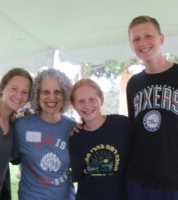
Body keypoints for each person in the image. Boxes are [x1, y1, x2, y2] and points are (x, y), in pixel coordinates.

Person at [126, 15, 178, 200]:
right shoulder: (133, 83)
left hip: (174, 180)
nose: (143, 43)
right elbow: (133, 128)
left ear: (161, 39)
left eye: (148, 36)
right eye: (136, 39)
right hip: (140, 180)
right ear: (132, 45)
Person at [14, 68, 76, 200]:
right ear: (37, 94)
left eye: (57, 92)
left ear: (64, 95)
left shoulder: (73, 128)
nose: (51, 97)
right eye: (46, 92)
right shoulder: (21, 126)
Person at [69, 78, 133, 200]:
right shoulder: (75, 137)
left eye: (92, 99)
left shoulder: (121, 124)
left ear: (101, 99)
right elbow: (77, 174)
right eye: (81, 101)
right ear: (74, 105)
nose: (87, 105)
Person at [0, 67, 33, 200]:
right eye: (14, 89)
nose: (19, 96)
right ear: (2, 88)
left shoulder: (16, 125)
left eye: (24, 92)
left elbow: (16, 159)